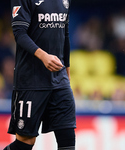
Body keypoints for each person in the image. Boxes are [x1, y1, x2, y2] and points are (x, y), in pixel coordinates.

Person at [4, 0, 76, 150]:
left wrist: (67, 70)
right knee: (25, 143)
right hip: (31, 80)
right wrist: (43, 56)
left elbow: (65, 34)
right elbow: (20, 34)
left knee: (67, 140)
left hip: (59, 79)